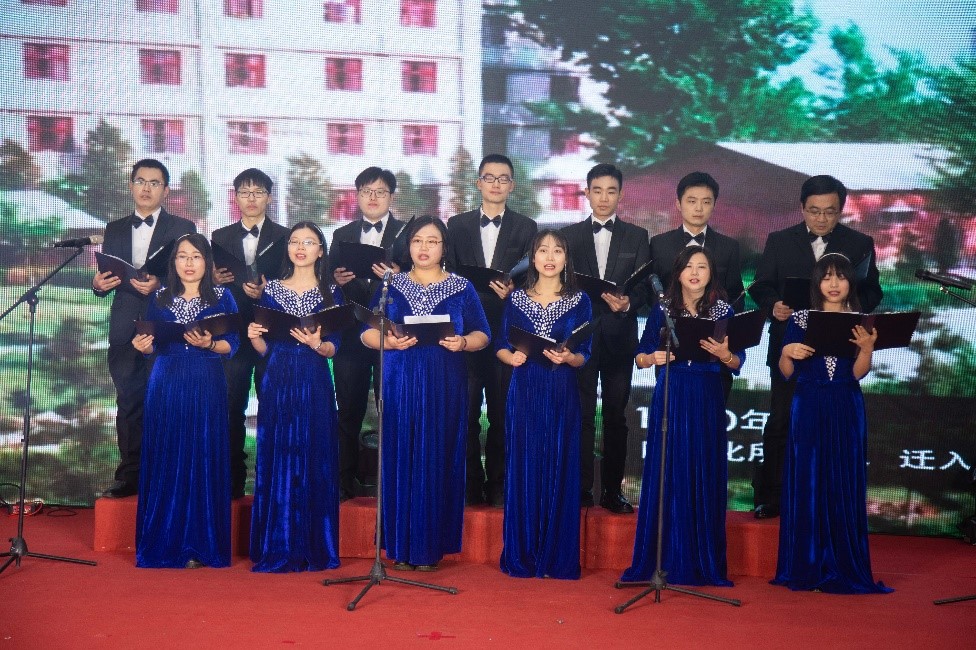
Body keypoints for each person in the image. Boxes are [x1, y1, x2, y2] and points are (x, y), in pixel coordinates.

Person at [361, 215, 490, 572]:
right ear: (408, 245)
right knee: (400, 456)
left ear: (444, 248)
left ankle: (429, 547)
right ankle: (399, 546)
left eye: (432, 241)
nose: (424, 247)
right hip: (399, 382)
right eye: (418, 240)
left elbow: (483, 335)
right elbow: (366, 333)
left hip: (443, 382)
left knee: (437, 456)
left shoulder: (461, 287)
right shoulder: (391, 284)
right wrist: (389, 342)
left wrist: (463, 342)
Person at [749, 175, 883, 520]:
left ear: (841, 209)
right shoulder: (780, 240)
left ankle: (827, 497)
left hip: (840, 349)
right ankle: (770, 496)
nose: (821, 218)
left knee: (833, 426)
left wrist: (850, 308)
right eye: (814, 211)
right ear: (802, 208)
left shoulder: (860, 243)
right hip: (791, 345)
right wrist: (774, 305)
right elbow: (760, 286)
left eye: (830, 211)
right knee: (781, 419)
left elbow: (872, 290)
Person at [621, 246, 742, 587]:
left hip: (706, 395)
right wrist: (653, 359)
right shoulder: (663, 309)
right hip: (671, 393)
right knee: (667, 470)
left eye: (702, 267)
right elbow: (640, 356)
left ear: (711, 274)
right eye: (688, 266)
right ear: (677, 273)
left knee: (702, 469)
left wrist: (725, 354)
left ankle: (700, 560)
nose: (695, 273)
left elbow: (737, 362)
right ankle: (662, 560)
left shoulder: (723, 310)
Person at [772, 253, 892, 594]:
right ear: (817, 283)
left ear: (851, 283)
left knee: (843, 479)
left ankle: (843, 563)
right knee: (807, 481)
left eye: (841, 277)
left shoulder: (860, 321)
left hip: (845, 405)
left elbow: (857, 374)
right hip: (808, 403)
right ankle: (805, 565)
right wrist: (787, 352)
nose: (834, 284)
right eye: (827, 277)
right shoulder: (801, 318)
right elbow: (786, 372)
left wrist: (867, 350)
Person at [132, 234, 239, 569]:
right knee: (167, 454)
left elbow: (233, 344)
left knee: (203, 454)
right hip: (166, 381)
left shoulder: (223, 296)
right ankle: (164, 541)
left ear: (207, 261)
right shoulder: (160, 298)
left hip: (206, 380)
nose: (189, 263)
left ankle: (201, 543)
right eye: (182, 256)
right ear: (173, 262)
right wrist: (144, 346)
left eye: (196, 256)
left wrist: (210, 344)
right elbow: (151, 342)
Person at [93, 159, 196, 499]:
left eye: (154, 183)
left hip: (165, 324)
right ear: (131, 186)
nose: (146, 188)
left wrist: (159, 284)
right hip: (124, 328)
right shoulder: (114, 229)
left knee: (167, 402)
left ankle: (167, 474)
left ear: (166, 190)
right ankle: (129, 476)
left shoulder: (182, 226)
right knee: (128, 402)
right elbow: (109, 276)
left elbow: (192, 276)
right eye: (140, 181)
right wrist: (98, 285)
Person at [247, 222, 343, 573]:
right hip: (278, 376)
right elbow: (264, 348)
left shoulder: (332, 292)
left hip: (314, 377)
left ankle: (315, 544)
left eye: (309, 242)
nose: (301, 247)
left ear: (321, 250)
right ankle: (277, 543)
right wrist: (254, 337)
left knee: (315, 452)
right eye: (295, 242)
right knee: (277, 453)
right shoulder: (271, 290)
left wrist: (318, 344)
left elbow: (334, 347)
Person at [496, 230, 591, 580]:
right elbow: (500, 345)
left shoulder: (581, 300)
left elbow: (585, 354)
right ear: (532, 258)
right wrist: (512, 358)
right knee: (525, 464)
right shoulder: (516, 299)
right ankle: (523, 553)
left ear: (566, 258)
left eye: (557, 251)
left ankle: (556, 556)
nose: (550, 257)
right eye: (542, 250)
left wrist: (569, 358)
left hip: (561, 388)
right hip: (525, 388)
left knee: (559, 464)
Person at [446, 153, 538, 507]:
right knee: (466, 411)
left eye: (503, 179)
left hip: (507, 329)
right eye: (489, 177)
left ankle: (498, 484)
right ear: (478, 183)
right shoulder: (456, 225)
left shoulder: (527, 227)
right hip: (466, 330)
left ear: (512, 185)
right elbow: (449, 274)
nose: (496, 184)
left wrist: (516, 289)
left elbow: (534, 276)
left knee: (502, 412)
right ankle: (470, 484)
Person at [561, 163, 650, 513]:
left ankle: (613, 491)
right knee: (581, 414)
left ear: (620, 195)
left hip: (619, 336)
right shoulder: (568, 236)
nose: (603, 197)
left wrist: (629, 303)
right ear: (586, 193)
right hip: (579, 337)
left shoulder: (637, 236)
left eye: (611, 191)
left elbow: (644, 287)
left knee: (616, 416)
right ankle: (581, 488)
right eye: (597, 190)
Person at [212, 168, 290, 499]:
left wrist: (267, 292)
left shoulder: (286, 237)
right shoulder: (219, 236)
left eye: (258, 192)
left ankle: (272, 482)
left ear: (269, 197)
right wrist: (213, 279)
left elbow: (295, 281)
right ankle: (232, 480)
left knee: (274, 405)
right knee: (231, 406)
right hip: (232, 333)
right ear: (236, 197)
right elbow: (209, 287)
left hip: (272, 333)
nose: (251, 198)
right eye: (245, 192)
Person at [332, 167, 406, 501]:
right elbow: (329, 281)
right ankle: (345, 482)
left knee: (391, 410)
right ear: (358, 195)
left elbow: (421, 276)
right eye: (366, 191)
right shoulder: (342, 233)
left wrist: (399, 275)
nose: (372, 197)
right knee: (348, 411)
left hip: (392, 336)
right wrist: (337, 280)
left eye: (380, 191)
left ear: (391, 196)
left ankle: (391, 484)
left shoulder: (406, 234)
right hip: (350, 335)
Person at [650, 171, 744, 400]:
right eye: (692, 201)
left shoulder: (728, 247)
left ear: (714, 205)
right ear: (678, 204)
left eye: (706, 202)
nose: (699, 208)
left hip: (715, 352)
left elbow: (736, 296)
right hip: (672, 352)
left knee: (711, 414)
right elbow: (651, 291)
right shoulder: (659, 244)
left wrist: (723, 336)